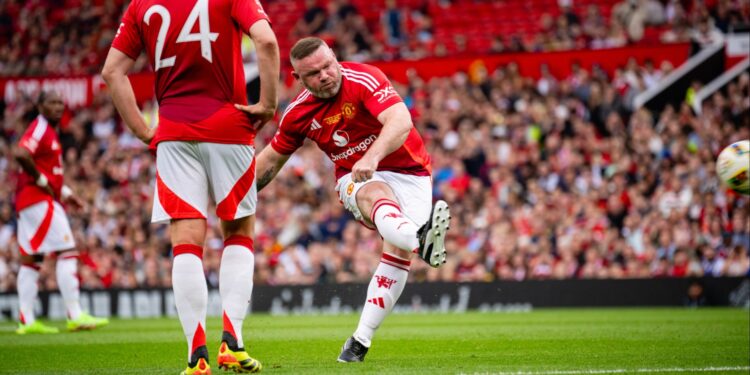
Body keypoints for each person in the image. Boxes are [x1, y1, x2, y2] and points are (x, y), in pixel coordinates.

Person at [102, 0, 279, 373]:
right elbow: (266, 41)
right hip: (229, 124)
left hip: (174, 130)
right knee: (238, 231)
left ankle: (196, 356)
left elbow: (112, 71)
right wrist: (267, 104)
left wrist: (142, 130)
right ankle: (232, 343)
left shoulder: (141, 5)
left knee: (185, 238)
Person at [251, 37, 450, 363]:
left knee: (397, 253)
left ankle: (358, 342)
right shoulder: (297, 113)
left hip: (412, 172)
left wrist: (371, 157)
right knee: (375, 193)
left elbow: (400, 121)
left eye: (328, 65)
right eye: (313, 73)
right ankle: (421, 240)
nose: (325, 75)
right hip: (354, 178)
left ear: (335, 56)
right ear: (297, 78)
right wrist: (232, 195)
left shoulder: (364, 78)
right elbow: (270, 162)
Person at [13, 91, 109, 334]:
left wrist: (65, 193)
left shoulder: (49, 132)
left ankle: (26, 320)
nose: (58, 106)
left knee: (32, 261)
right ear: (40, 106)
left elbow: (50, 173)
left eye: (60, 103)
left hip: (29, 201)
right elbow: (21, 153)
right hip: (38, 199)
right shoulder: (40, 128)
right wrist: (40, 180)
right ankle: (74, 315)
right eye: (51, 103)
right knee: (68, 251)